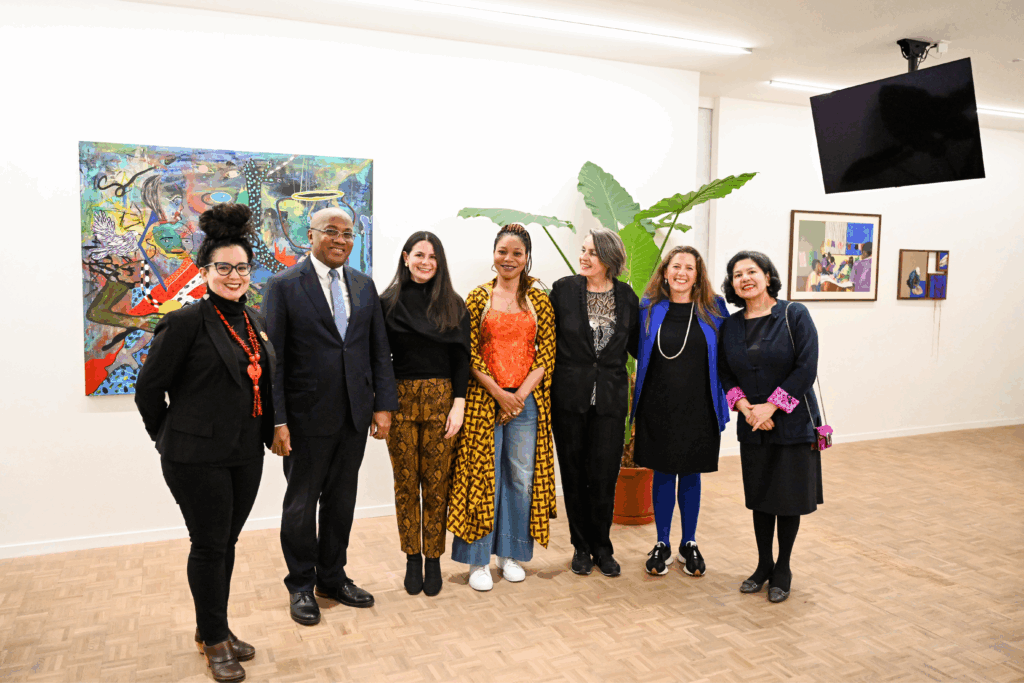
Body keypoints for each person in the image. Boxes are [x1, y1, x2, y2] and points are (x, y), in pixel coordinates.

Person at [135, 203, 275, 682]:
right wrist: (167, 438)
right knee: (210, 545)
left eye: (241, 267)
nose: (233, 276)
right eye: (223, 268)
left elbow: (262, 382)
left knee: (225, 543)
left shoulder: (252, 319)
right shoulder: (186, 322)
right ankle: (214, 640)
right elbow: (149, 390)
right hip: (195, 458)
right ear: (205, 270)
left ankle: (213, 627)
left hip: (244, 454)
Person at [263, 207, 398, 626]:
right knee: (301, 505)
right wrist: (278, 420)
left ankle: (332, 577)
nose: (341, 239)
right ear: (312, 235)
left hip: (354, 416)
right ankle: (301, 585)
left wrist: (383, 405)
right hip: (304, 420)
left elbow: (378, 351)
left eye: (348, 233)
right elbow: (275, 361)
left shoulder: (363, 285)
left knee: (341, 502)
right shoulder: (284, 285)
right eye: (332, 232)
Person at [447, 223, 557, 592]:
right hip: (484, 401)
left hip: (526, 403)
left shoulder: (539, 301)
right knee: (482, 476)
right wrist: (499, 394)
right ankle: (478, 561)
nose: (508, 259)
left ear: (527, 259)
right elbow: (469, 353)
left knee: (520, 479)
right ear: (493, 255)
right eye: (502, 252)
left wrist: (519, 396)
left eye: (517, 253)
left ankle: (509, 554)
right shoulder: (477, 298)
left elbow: (548, 354)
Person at [717, 250, 823, 604]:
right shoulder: (730, 325)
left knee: (787, 498)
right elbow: (725, 373)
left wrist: (772, 407)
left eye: (751, 271)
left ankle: (783, 568)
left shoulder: (794, 315)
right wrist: (747, 407)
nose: (745, 278)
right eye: (737, 275)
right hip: (752, 423)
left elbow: (806, 368)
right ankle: (763, 564)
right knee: (761, 498)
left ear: (767, 275)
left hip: (792, 423)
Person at [380, 231, 471, 597]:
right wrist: (381, 405)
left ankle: (433, 557)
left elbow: (462, 358)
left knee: (436, 484)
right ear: (405, 257)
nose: (426, 262)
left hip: (441, 398)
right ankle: (411, 558)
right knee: (406, 485)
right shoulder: (385, 302)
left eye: (433, 257)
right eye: (419, 254)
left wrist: (459, 403)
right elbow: (378, 359)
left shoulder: (454, 304)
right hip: (399, 399)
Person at [631, 246, 730, 578]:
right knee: (662, 472)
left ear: (698, 275)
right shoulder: (647, 308)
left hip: (700, 406)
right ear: (665, 271)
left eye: (690, 267)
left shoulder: (714, 309)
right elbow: (634, 347)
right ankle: (662, 543)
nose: (682, 273)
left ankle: (689, 542)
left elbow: (730, 352)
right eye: (676, 266)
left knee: (691, 473)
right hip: (657, 407)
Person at [549, 228, 639, 577]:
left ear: (610, 260)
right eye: (583, 250)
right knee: (574, 474)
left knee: (604, 476)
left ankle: (603, 546)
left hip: (611, 401)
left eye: (592, 253)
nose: (584, 257)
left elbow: (637, 347)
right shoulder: (563, 290)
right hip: (570, 398)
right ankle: (581, 546)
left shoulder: (627, 297)